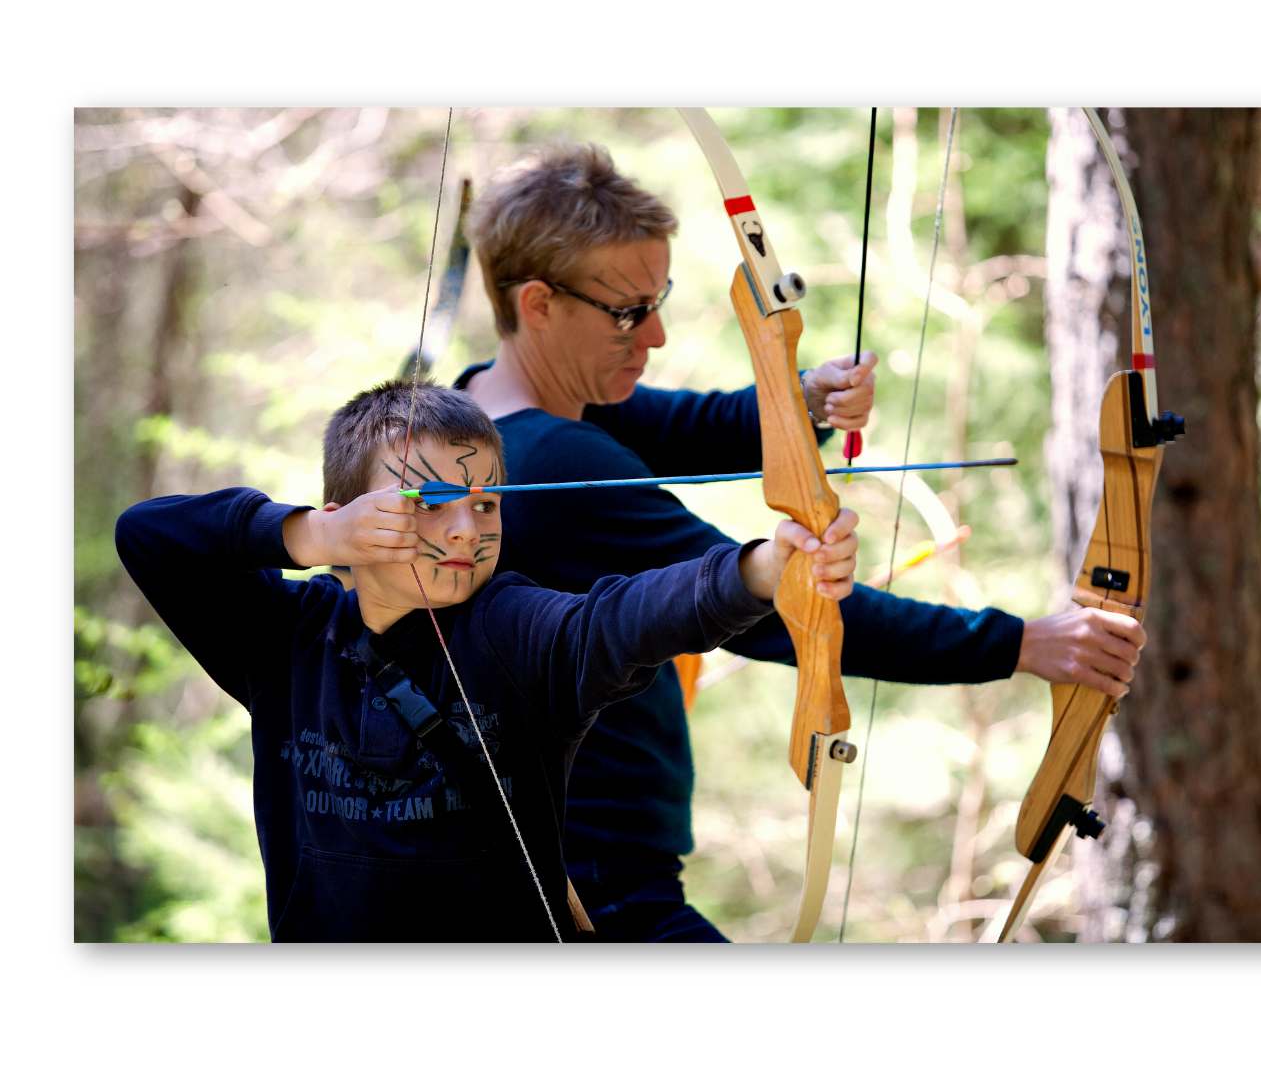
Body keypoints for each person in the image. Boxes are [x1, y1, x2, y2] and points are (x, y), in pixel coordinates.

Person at [452, 141, 1147, 943]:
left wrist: (801, 401)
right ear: (538, 303)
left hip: (548, 864)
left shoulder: (483, 413)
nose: (658, 336)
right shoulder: (560, 464)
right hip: (589, 886)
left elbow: (683, 424)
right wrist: (1024, 644)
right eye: (629, 312)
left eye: (660, 299)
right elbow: (787, 610)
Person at [115, 380, 860, 943]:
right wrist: (309, 536)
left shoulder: (514, 629)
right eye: (430, 502)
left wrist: (761, 571)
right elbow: (147, 536)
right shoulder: (286, 639)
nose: (468, 529)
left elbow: (619, 620)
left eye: (488, 502)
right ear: (350, 514)